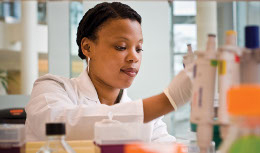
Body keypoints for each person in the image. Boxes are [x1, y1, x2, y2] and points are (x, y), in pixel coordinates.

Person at [25, 2, 192, 142]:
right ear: (87, 47)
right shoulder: (53, 88)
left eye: (139, 48)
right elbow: (58, 126)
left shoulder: (150, 120)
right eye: (121, 47)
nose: (134, 57)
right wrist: (168, 100)